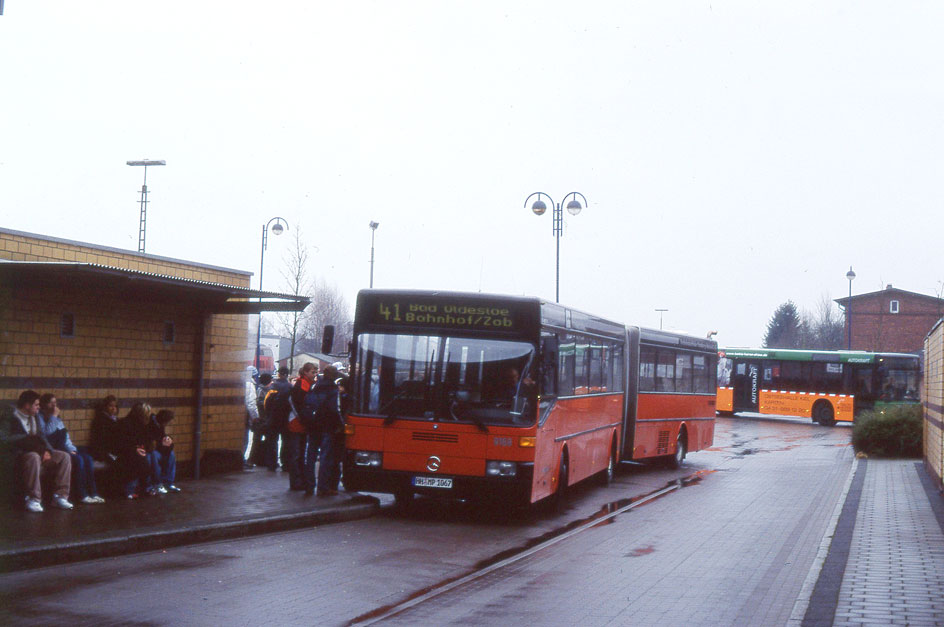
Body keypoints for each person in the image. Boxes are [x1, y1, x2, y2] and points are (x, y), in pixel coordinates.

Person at [0, 390, 73, 512]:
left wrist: (48, 450)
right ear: (27, 405)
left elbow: (42, 437)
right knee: (33, 456)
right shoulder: (10, 417)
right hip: (19, 454)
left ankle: (60, 496)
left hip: (38, 451)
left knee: (64, 456)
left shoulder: (35, 418)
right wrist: (27, 438)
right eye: (36, 405)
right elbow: (4, 438)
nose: (39, 407)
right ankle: (33, 499)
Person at [37, 393, 104, 504]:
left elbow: (65, 437)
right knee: (79, 460)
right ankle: (82, 494)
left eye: (55, 402)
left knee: (87, 458)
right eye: (51, 403)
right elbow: (46, 432)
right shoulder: (40, 417)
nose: (54, 405)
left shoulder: (57, 419)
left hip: (64, 448)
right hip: (53, 451)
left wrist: (72, 449)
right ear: (44, 405)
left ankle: (93, 493)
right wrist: (53, 416)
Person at [301, 365, 344, 497]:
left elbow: (308, 403)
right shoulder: (333, 388)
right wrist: (340, 424)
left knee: (311, 457)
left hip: (314, 425)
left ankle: (309, 485)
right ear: (334, 375)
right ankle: (323, 487)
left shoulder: (315, 385)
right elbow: (334, 409)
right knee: (326, 458)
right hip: (327, 425)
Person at [288, 363, 318, 493]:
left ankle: (299, 481)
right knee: (297, 454)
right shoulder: (302, 386)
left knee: (299, 454)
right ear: (305, 373)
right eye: (313, 372)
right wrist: (304, 419)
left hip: (300, 422)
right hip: (297, 422)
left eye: (316, 371)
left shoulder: (306, 384)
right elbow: (297, 405)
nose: (315, 374)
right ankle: (296, 482)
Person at [116, 402, 154, 498]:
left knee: (149, 456)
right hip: (125, 452)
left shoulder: (144, 425)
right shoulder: (124, 424)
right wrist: (135, 449)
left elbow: (148, 441)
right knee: (141, 459)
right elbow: (120, 443)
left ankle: (147, 487)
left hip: (137, 450)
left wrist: (144, 448)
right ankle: (131, 489)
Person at [264, 366, 293, 471]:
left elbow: (267, 402)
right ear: (287, 374)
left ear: (279, 374)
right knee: (286, 441)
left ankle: (272, 464)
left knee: (272, 441)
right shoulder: (290, 387)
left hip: (273, 417)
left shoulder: (273, 386)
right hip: (285, 418)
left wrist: (268, 414)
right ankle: (286, 464)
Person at [146, 409, 180, 494]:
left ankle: (168, 482)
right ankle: (158, 483)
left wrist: (169, 441)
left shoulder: (160, 425)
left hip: (159, 448)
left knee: (171, 455)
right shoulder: (150, 425)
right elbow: (152, 443)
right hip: (151, 450)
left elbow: (162, 438)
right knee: (153, 456)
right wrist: (164, 445)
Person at [247, 372, 273, 466]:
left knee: (256, 441)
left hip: (259, 420)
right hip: (267, 419)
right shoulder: (270, 391)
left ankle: (251, 460)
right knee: (269, 440)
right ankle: (267, 460)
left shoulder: (258, 389)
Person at [89, 394, 121, 464]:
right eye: (110, 406)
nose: (113, 408)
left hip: (115, 450)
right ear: (105, 407)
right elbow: (103, 439)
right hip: (105, 451)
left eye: (115, 406)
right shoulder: (100, 420)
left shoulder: (117, 420)